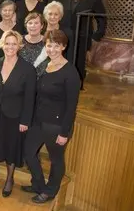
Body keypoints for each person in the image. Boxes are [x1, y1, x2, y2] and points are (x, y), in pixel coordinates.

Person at [22, 29, 80, 204]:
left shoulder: (70, 73)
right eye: (49, 45)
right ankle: (38, 184)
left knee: (56, 160)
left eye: (56, 46)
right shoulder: (46, 65)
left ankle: (51, 190)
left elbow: (71, 106)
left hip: (56, 125)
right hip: (38, 120)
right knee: (29, 152)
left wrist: (64, 132)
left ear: (63, 47)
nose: (52, 49)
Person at [0, 30, 36, 197]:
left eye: (14, 44)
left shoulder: (27, 69)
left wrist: (25, 121)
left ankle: (10, 178)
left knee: (11, 147)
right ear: (2, 45)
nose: (10, 47)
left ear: (19, 46)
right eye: (7, 43)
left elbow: (30, 98)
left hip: (15, 115)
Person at [59, 0, 106, 85]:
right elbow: (58, 13)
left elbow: (101, 18)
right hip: (64, 34)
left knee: (79, 60)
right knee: (63, 57)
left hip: (83, 35)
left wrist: (97, 34)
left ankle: (77, 82)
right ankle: (63, 79)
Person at [19, 13, 49, 77]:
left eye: (36, 23)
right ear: (26, 25)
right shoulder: (19, 40)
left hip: (43, 80)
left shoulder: (48, 42)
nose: (33, 25)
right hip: (21, 79)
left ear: (42, 26)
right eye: (30, 23)